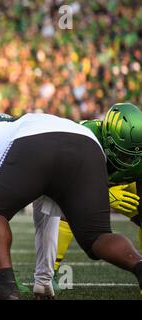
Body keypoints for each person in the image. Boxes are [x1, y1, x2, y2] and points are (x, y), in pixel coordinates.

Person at [0, 112, 142, 300]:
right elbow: (47, 215)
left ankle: (6, 286)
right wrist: (43, 280)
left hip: (33, 142)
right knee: (98, 235)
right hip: (88, 145)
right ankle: (139, 265)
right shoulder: (21, 125)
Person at [32, 102, 142, 298]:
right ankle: (51, 271)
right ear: (108, 139)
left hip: (124, 185)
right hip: (86, 183)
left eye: (133, 155)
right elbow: (66, 184)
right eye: (123, 154)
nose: (128, 161)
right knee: (62, 208)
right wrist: (105, 196)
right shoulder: (84, 136)